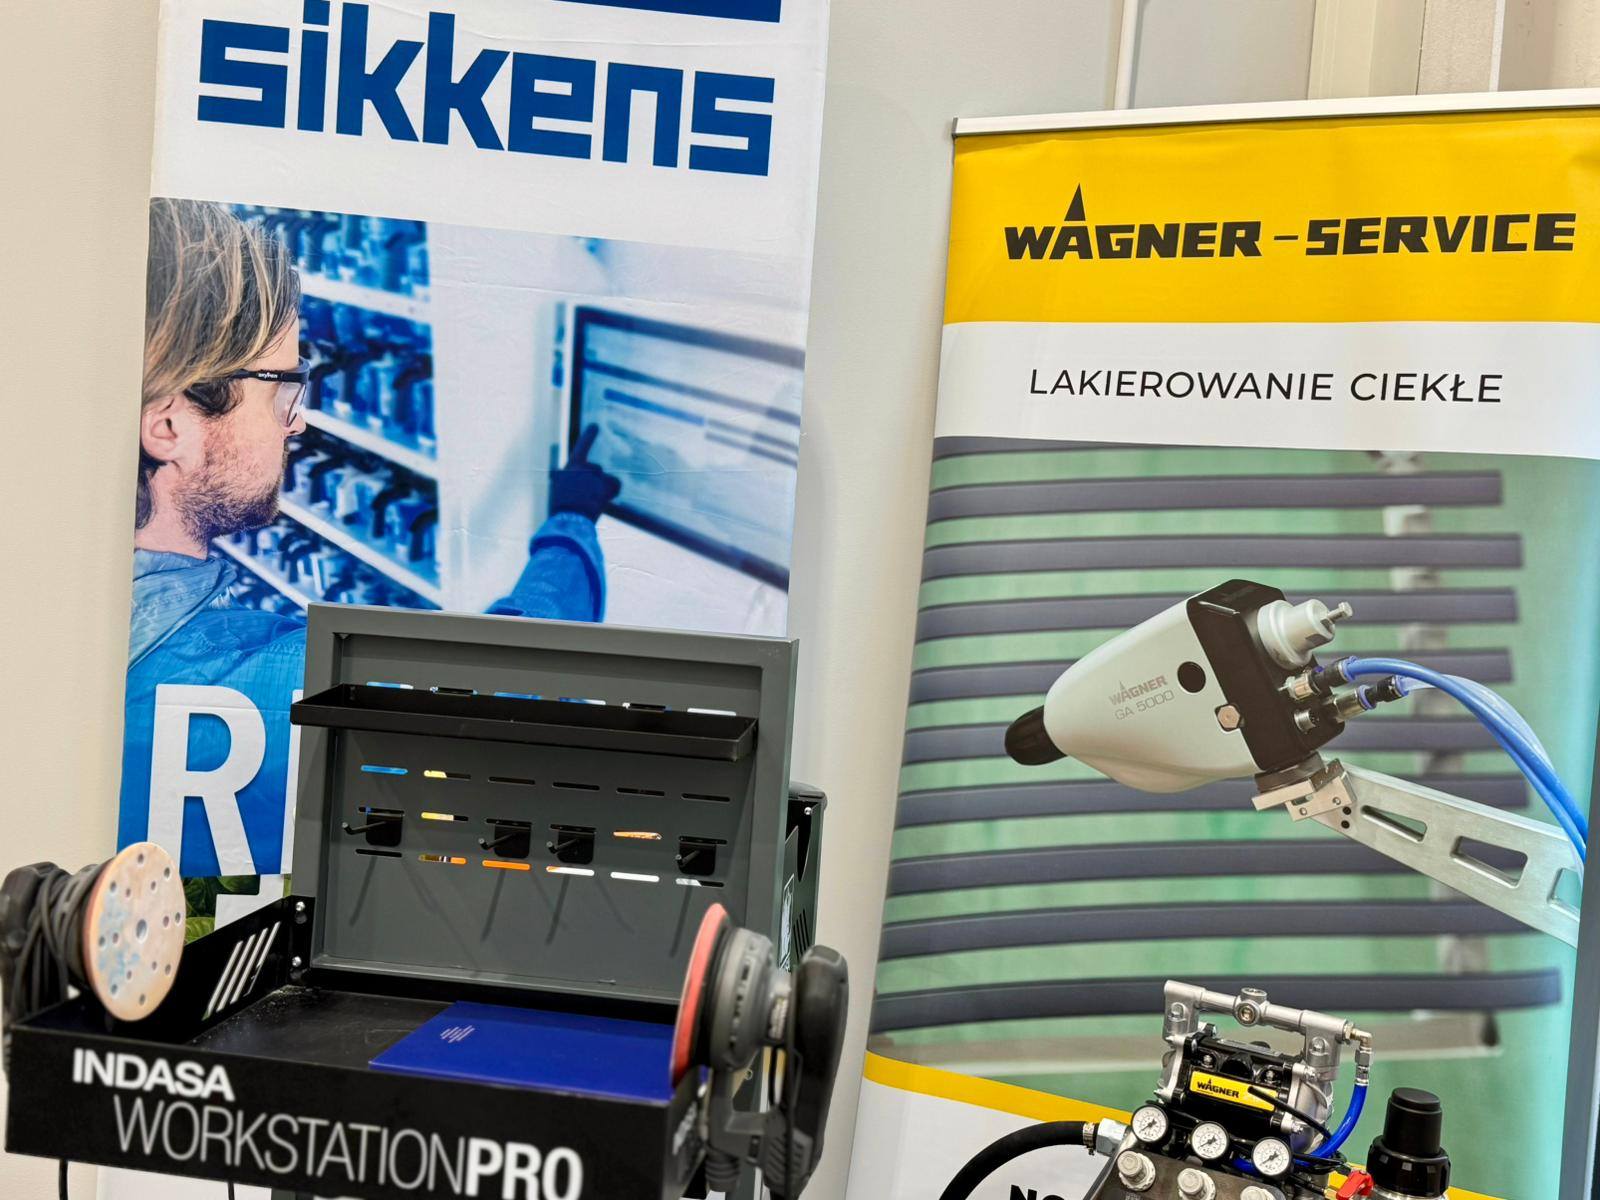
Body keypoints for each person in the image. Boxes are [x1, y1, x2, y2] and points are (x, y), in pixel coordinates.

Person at [120, 199, 620, 877]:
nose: (297, 423)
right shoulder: (256, 690)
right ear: (168, 427)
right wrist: (571, 524)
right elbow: (513, 692)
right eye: (280, 389)